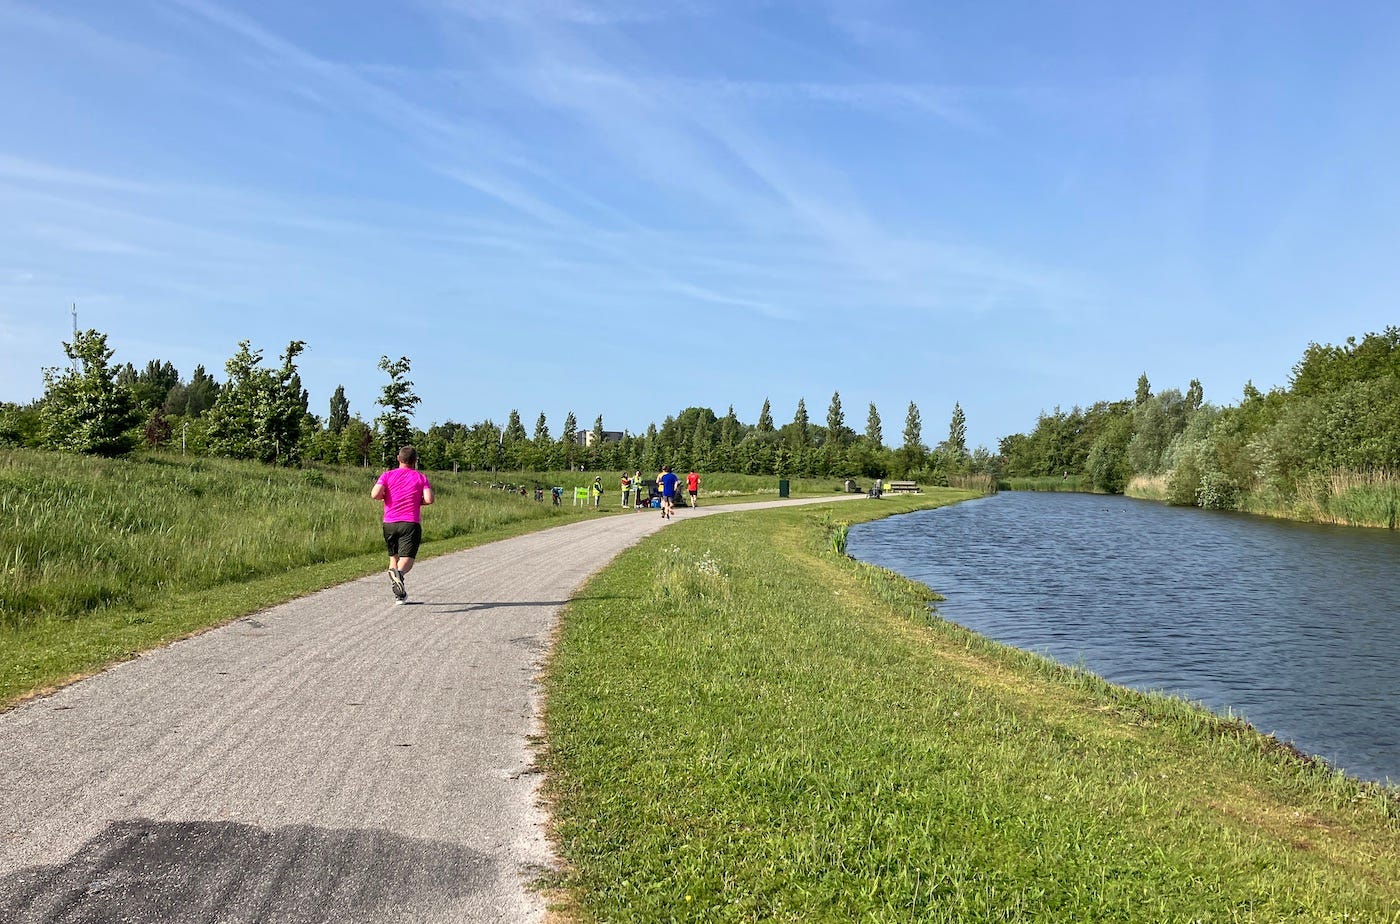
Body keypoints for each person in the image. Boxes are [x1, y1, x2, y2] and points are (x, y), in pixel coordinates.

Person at [371, 445, 434, 604]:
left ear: (399, 459)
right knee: (407, 559)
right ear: (415, 461)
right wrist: (417, 502)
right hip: (410, 523)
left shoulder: (387, 475)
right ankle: (398, 573)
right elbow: (429, 499)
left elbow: (375, 494)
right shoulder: (420, 477)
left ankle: (400, 595)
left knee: (394, 556)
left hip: (389, 523)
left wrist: (385, 497)